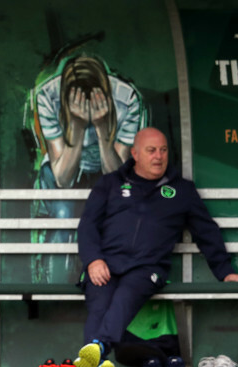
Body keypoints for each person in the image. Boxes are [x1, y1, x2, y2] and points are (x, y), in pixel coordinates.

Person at [73, 127, 238, 367]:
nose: (158, 156)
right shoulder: (110, 184)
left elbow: (206, 232)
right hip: (106, 263)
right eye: (151, 150)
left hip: (147, 268)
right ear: (135, 153)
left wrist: (225, 272)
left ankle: (99, 348)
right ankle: (97, 365)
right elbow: (88, 226)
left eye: (163, 150)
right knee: (99, 301)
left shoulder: (182, 191)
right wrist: (93, 259)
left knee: (125, 297)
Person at [26, 54, 147, 283]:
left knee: (118, 221)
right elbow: (62, 178)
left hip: (108, 167)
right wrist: (77, 126)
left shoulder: (126, 99)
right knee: (63, 215)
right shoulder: (48, 97)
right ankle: (57, 291)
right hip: (64, 166)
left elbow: (118, 176)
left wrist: (102, 130)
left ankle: (110, 288)